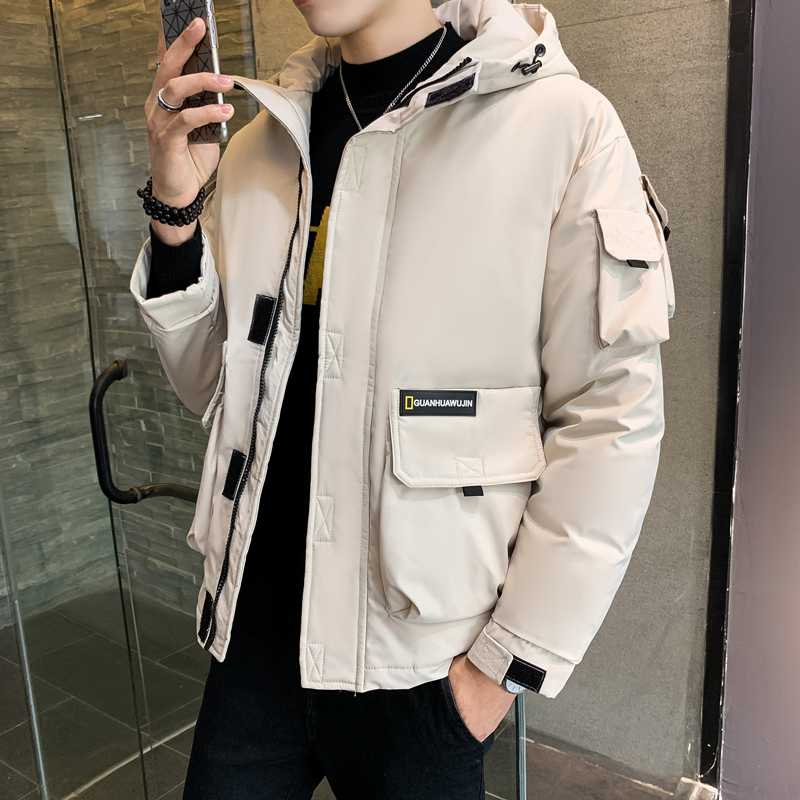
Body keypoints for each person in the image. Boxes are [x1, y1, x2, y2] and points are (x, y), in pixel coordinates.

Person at [130, 0, 674, 797]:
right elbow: (212, 385)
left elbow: (609, 419)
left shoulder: (560, 128)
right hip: (256, 640)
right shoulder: (261, 145)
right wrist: (176, 214)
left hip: (421, 669)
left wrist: (498, 672)